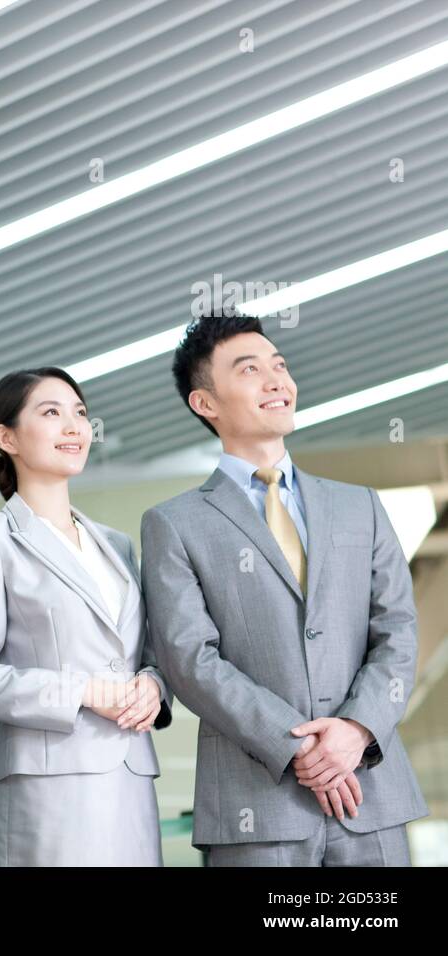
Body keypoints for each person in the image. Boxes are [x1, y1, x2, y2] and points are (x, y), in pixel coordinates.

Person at [142, 310, 429, 866]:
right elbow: (190, 660)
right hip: (256, 806)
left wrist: (354, 731)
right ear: (205, 403)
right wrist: (298, 746)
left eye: (280, 365)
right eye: (250, 370)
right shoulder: (174, 523)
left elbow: (397, 629)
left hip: (371, 792)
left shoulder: (360, 505)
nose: (278, 380)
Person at [0, 367, 171, 866]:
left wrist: (154, 685)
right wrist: (83, 691)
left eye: (81, 413)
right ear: (7, 437)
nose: (74, 427)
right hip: (51, 783)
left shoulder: (116, 543)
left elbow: (147, 653)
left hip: (131, 775)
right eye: (51, 413)